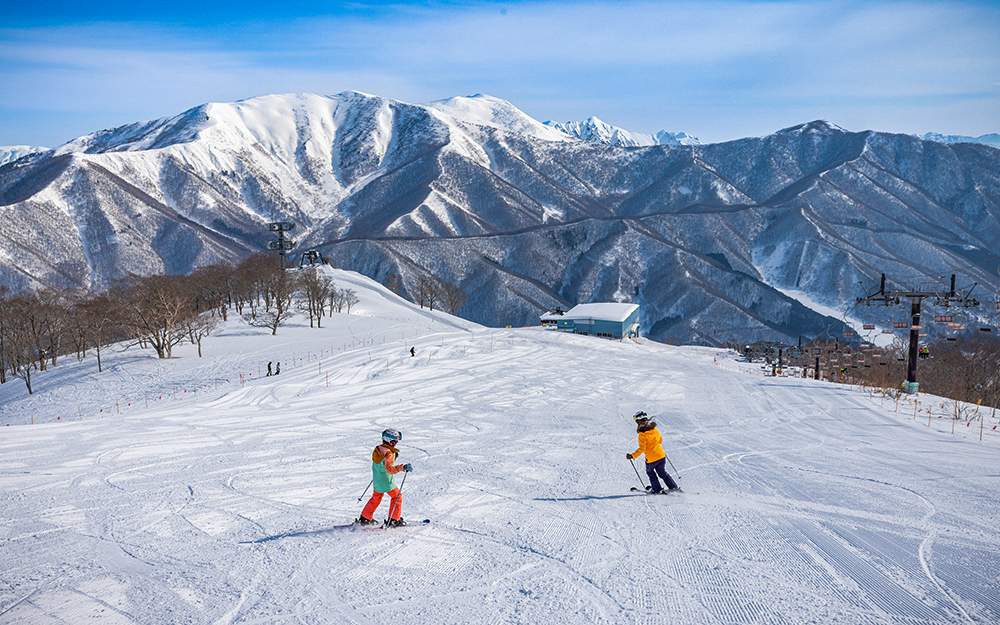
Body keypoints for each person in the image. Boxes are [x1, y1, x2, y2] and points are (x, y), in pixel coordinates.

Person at [358, 428, 413, 527]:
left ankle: (365, 518)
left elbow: (380, 463)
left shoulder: (378, 449)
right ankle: (394, 520)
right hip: (387, 482)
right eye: (395, 441)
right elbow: (389, 470)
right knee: (397, 497)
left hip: (377, 480)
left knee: (376, 498)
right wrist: (402, 467)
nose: (396, 443)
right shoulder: (389, 454)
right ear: (390, 441)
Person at [626, 411, 680, 494]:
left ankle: (657, 489)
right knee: (662, 473)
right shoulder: (654, 428)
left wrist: (632, 456)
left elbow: (642, 449)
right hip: (661, 456)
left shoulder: (642, 434)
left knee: (651, 473)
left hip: (651, 459)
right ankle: (673, 487)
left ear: (639, 421)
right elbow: (660, 440)